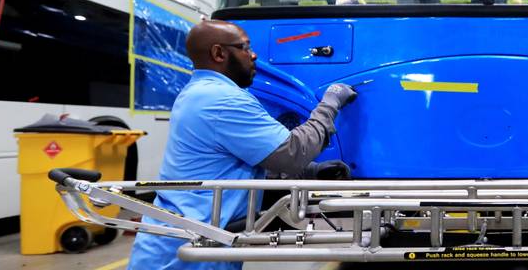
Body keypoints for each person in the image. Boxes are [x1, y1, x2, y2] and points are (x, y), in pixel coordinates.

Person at [129, 20, 358, 270]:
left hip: (194, 239)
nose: (253, 54)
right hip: (189, 251)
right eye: (245, 47)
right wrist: (330, 104)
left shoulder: (200, 92)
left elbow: (240, 159)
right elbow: (291, 151)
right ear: (218, 53)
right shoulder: (221, 99)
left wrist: (309, 171)